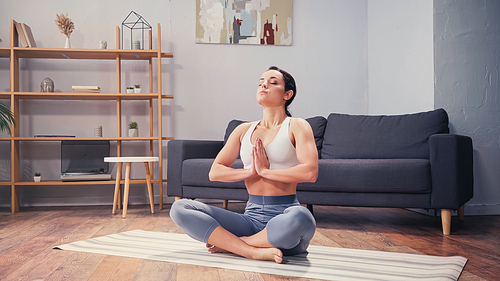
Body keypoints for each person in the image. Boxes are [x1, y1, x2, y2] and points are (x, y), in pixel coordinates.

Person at [170, 66, 318, 264]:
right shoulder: (243, 130)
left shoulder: (297, 125)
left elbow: (310, 172)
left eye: (273, 82)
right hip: (250, 219)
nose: (264, 85)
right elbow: (215, 172)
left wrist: (265, 171)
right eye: (260, 82)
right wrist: (250, 171)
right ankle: (252, 251)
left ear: (287, 94)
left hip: (284, 218)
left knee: (302, 216)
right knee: (180, 207)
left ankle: (237, 245)